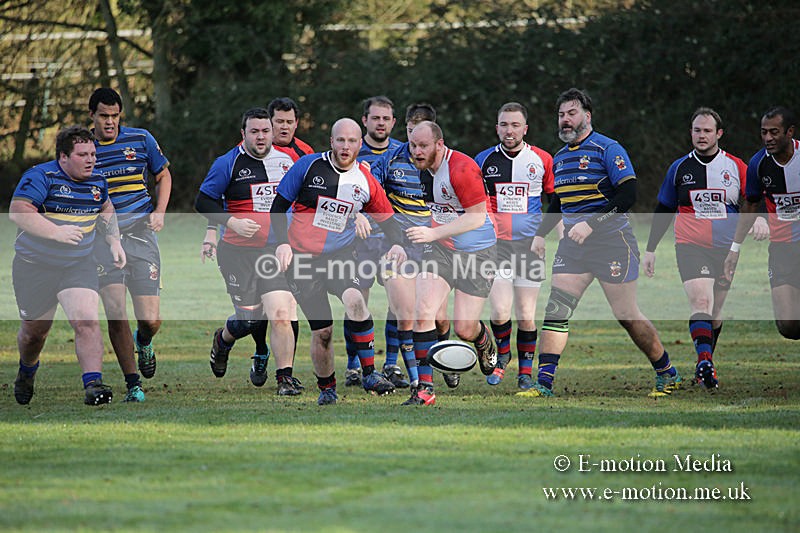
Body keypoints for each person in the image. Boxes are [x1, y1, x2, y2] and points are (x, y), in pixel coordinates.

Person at [518, 88, 682, 399]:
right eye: (561, 115)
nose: (566, 120)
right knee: (556, 310)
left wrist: (591, 224)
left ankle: (667, 372)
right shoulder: (561, 158)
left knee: (626, 314)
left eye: (572, 113)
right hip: (573, 248)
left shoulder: (608, 148)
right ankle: (544, 383)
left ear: (587, 116)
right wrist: (541, 233)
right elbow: (558, 203)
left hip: (612, 243)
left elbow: (628, 196)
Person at [269, 118, 409, 405]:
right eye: (340, 140)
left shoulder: (365, 181)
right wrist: (282, 243)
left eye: (352, 141)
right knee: (323, 332)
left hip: (341, 256)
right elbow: (278, 206)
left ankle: (369, 372)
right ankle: (327, 388)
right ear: (331, 142)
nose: (346, 146)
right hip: (303, 260)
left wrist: (397, 243)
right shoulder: (307, 166)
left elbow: (389, 220)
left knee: (356, 301)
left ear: (360, 144)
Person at [644, 108, 759, 391]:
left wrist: (762, 222)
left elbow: (755, 199)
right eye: (697, 130)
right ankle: (704, 362)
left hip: (726, 249)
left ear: (719, 134)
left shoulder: (736, 167)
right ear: (691, 133)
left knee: (715, 313)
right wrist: (650, 249)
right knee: (701, 304)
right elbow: (664, 208)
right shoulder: (679, 168)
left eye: (708, 131)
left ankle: (705, 361)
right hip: (690, 244)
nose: (702, 135)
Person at [10, 126, 126, 406]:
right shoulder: (42, 176)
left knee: (86, 320)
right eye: (82, 154)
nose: (91, 160)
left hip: (78, 263)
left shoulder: (97, 180)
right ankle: (27, 369)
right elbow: (18, 211)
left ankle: (93, 384)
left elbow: (106, 208)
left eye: (93, 154)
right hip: (34, 266)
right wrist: (56, 232)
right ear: (63, 157)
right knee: (34, 334)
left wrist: (113, 241)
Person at [195, 108, 304, 395]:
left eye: (265, 131)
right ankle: (223, 339)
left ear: (272, 132)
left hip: (274, 250)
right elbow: (203, 201)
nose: (260, 136)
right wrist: (230, 221)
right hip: (237, 252)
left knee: (282, 311)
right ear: (243, 134)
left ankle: (285, 379)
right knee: (249, 319)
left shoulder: (288, 160)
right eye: (254, 131)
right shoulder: (227, 163)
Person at [402, 121, 498, 406]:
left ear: (439, 145)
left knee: (464, 329)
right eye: (413, 146)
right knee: (426, 312)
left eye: (423, 146)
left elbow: (476, 218)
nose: (417, 152)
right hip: (441, 250)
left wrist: (432, 232)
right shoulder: (422, 171)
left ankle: (483, 341)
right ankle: (425, 389)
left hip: (478, 253)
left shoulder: (462, 169)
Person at [89, 87, 171, 402]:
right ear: (92, 116)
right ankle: (133, 384)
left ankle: (144, 340)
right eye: (103, 116)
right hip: (102, 241)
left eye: (114, 115)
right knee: (115, 311)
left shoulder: (141, 139)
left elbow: (163, 175)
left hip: (140, 235)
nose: (109, 122)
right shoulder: (85, 149)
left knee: (150, 318)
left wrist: (160, 212)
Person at [370, 103, 454, 393]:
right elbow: (371, 196)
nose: (415, 145)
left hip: (435, 247)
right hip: (397, 245)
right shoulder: (390, 159)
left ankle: (444, 355)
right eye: (409, 134)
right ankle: (419, 378)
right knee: (406, 313)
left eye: (421, 139)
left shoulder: (447, 165)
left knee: (437, 317)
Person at [475, 102, 554, 390]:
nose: (510, 130)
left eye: (515, 125)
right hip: (495, 247)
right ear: (497, 128)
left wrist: (542, 234)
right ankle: (502, 354)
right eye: (504, 125)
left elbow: (554, 200)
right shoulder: (483, 160)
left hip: (529, 248)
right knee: (499, 311)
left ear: (525, 129)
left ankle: (524, 373)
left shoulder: (542, 159)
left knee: (526, 314)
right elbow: (475, 202)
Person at [344, 95, 407, 388]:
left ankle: (392, 364)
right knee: (357, 299)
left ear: (393, 123)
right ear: (364, 121)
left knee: (398, 301)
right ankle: (354, 365)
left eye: (386, 118)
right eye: (375, 118)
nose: (380, 123)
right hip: (359, 240)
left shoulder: (403, 152)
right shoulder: (350, 151)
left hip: (393, 240)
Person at [724, 106, 800, 340]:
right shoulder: (758, 164)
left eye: (774, 132)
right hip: (782, 248)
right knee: (788, 326)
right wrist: (734, 249)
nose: (768, 138)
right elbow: (750, 204)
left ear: (790, 132)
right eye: (764, 132)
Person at [267, 97, 315, 161]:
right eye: (280, 121)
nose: (285, 127)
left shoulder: (306, 151)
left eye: (289, 122)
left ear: (296, 123)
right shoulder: (259, 148)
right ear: (269, 122)